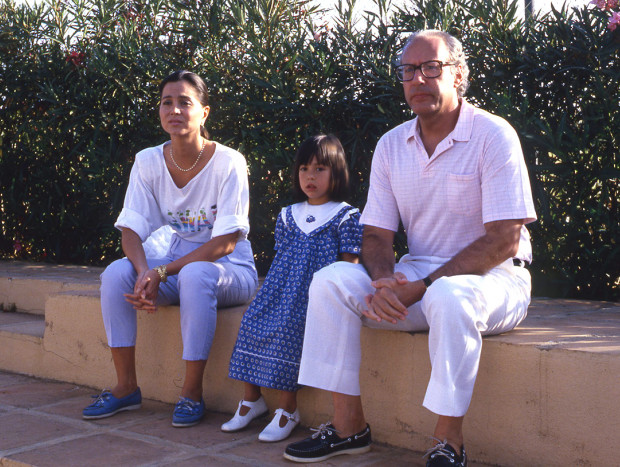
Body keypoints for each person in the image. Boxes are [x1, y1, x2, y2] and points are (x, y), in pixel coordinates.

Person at [284, 30, 537, 466]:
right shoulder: (391, 145)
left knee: (448, 294)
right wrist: (383, 281)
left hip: (494, 280)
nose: (418, 78)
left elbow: (503, 240)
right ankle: (348, 428)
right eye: (408, 70)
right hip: (415, 282)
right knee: (329, 281)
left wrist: (420, 286)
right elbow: (377, 236)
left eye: (431, 67)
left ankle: (448, 442)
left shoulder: (494, 136)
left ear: (458, 75)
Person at [82, 70, 258, 428]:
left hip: (230, 268)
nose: (174, 109)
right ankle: (126, 387)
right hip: (175, 265)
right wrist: (146, 270)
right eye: (167, 102)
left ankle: (191, 394)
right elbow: (131, 230)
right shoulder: (147, 161)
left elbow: (225, 242)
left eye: (184, 102)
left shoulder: (229, 163)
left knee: (194, 275)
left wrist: (162, 272)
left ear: (204, 113)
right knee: (118, 272)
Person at [222, 134, 363, 442]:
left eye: (320, 169)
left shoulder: (346, 216)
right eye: (304, 169)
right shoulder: (288, 214)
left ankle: (288, 409)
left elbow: (350, 266)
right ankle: (251, 401)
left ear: (337, 173)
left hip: (314, 296)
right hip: (279, 289)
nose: (310, 176)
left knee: (289, 330)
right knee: (251, 322)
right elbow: (282, 259)